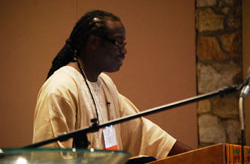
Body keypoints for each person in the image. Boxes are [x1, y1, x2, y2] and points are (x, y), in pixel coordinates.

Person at [33, 10, 191, 159]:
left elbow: (145, 133)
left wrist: (197, 155)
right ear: (93, 42)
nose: (124, 51)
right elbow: (51, 157)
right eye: (118, 43)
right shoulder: (60, 88)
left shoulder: (106, 85)